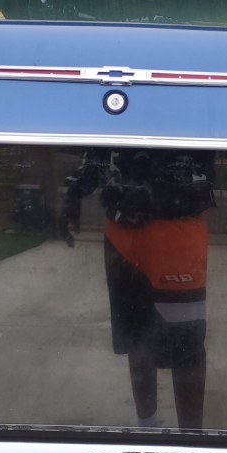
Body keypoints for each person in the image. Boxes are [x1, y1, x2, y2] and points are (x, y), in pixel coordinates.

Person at [60, 149, 214, 430]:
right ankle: (148, 428)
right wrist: (76, 189)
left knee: (187, 348)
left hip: (174, 224)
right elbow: (102, 145)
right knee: (138, 337)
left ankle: (191, 440)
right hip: (123, 228)